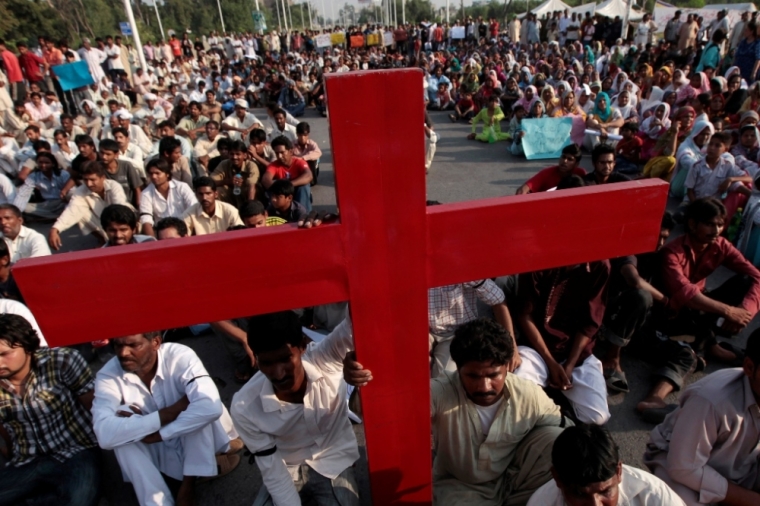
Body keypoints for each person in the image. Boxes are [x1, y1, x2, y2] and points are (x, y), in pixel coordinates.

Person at [344, 318, 568, 506]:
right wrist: (362, 381)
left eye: (493, 375)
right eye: (473, 376)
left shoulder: (527, 393)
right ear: (458, 369)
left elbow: (565, 430)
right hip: (460, 488)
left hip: (512, 480)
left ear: (507, 366)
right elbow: (381, 412)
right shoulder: (440, 391)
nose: (484, 386)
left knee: (558, 438)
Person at [637, 198, 760, 421]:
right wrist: (728, 312)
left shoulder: (720, 245)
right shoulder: (672, 253)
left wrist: (745, 310)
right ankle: (653, 398)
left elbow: (755, 276)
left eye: (720, 225)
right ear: (692, 224)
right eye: (711, 224)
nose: (717, 230)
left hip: (696, 312)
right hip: (667, 314)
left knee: (743, 281)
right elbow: (686, 294)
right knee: (685, 354)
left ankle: (709, 343)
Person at [92, 331, 241, 506]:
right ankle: (157, 501)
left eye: (133, 345)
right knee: (121, 428)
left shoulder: (179, 356)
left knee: (196, 409)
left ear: (155, 343)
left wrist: (160, 433)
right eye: (118, 345)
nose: (123, 353)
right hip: (156, 446)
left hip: (187, 436)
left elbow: (210, 407)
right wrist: (167, 414)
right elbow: (104, 436)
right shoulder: (108, 375)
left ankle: (190, 482)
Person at [231, 312, 361, 506]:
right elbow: (273, 472)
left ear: (302, 346)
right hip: (286, 469)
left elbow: (357, 319)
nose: (278, 373)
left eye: (285, 359)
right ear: (255, 358)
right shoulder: (244, 407)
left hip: (334, 459)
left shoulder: (326, 358)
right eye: (266, 363)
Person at [644, 327, 760, 505]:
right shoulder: (711, 401)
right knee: (677, 502)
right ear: (749, 367)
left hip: (744, 467)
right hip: (683, 465)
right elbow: (684, 467)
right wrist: (750, 499)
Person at [0, 314, 101, 506]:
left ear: (27, 347)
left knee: (80, 499)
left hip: (76, 451)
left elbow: (95, 406)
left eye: (5, 354)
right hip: (26, 460)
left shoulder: (62, 361)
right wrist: (10, 449)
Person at [513, 257, 612, 425]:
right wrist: (551, 363)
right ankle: (548, 405)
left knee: (597, 417)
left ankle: (554, 402)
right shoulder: (538, 259)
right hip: (538, 349)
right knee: (516, 395)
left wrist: (569, 365)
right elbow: (525, 314)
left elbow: (589, 324)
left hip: (576, 354)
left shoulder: (599, 265)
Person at [528, 424, 686, 506]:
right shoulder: (541, 502)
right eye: (581, 494)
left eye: (605, 492)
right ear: (557, 479)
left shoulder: (655, 497)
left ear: (618, 472)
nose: (595, 505)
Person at [49, 161, 131, 250]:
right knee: (80, 214)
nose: (89, 184)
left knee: (124, 213)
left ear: (102, 177)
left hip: (120, 218)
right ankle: (104, 240)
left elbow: (120, 208)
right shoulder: (81, 190)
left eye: (92, 180)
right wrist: (55, 229)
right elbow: (72, 210)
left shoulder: (114, 186)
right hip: (103, 220)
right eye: (86, 180)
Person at [139, 158, 197, 237]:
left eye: (157, 173)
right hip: (162, 233)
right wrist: (153, 242)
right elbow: (146, 219)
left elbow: (194, 208)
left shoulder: (182, 187)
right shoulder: (146, 194)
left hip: (185, 229)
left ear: (167, 174)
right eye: (151, 173)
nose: (153, 176)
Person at [263, 136, 313, 211]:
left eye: (282, 153)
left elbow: (309, 176)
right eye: (277, 153)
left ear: (290, 152)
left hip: (297, 193)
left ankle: (304, 215)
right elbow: (266, 180)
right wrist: (281, 189)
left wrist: (289, 185)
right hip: (282, 195)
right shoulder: (273, 165)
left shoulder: (299, 162)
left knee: (304, 187)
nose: (279, 156)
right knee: (271, 188)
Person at [515, 145, 586, 194]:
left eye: (570, 159)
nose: (564, 161)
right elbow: (523, 190)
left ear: (576, 164)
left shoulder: (581, 173)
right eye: (563, 157)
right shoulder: (547, 173)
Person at [210, 140, 259, 207]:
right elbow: (211, 182)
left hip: (248, 195)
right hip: (233, 195)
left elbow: (252, 185)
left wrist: (249, 206)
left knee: (253, 189)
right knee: (217, 191)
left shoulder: (251, 165)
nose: (234, 157)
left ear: (244, 155)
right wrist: (228, 181)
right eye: (232, 154)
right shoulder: (224, 164)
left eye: (238, 154)